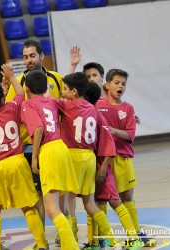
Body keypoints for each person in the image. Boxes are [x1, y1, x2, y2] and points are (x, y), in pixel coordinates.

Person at [0, 64, 48, 250]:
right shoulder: (12, 107)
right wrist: (12, 77)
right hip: (17, 162)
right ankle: (42, 244)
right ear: (4, 97)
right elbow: (20, 92)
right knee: (29, 207)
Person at [5, 40, 69, 242]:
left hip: (54, 144)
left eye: (32, 55)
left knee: (61, 194)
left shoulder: (56, 79)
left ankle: (63, 235)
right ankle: (42, 239)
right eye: (25, 57)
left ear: (41, 56)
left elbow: (67, 105)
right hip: (30, 146)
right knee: (37, 197)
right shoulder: (19, 82)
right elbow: (10, 111)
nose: (28, 60)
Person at [51, 72, 122, 249]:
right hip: (89, 158)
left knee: (67, 200)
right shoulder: (92, 108)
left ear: (74, 91)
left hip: (72, 156)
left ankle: (71, 239)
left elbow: (45, 100)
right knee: (89, 203)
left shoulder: (66, 105)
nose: (62, 92)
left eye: (65, 89)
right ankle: (112, 240)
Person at [21, 70, 80, 250]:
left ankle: (71, 245)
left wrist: (34, 157)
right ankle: (70, 238)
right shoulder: (52, 100)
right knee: (63, 202)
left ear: (27, 88)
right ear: (46, 87)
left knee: (51, 208)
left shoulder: (27, 104)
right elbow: (71, 106)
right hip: (62, 148)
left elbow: (38, 129)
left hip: (48, 151)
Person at [96, 69, 153, 247]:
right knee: (102, 198)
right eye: (117, 82)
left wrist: (113, 131)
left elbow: (130, 135)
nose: (120, 86)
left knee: (127, 196)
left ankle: (135, 234)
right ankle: (102, 237)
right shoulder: (97, 105)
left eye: (123, 83)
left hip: (123, 157)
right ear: (107, 85)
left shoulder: (128, 108)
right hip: (104, 159)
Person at [83, 82, 143, 250]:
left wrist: (102, 169)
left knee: (115, 201)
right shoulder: (89, 114)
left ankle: (133, 238)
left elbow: (110, 146)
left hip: (104, 167)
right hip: (93, 166)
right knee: (96, 201)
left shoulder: (97, 116)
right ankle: (98, 241)